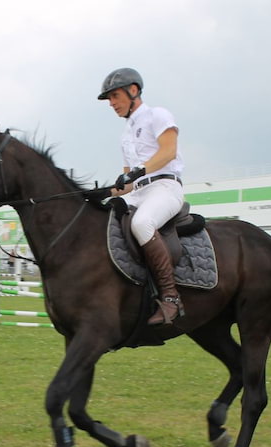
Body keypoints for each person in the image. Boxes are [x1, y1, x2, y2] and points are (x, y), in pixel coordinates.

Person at [98, 67, 185, 325]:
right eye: (109, 99)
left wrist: (137, 172)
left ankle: (171, 298)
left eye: (115, 96)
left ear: (133, 90)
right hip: (139, 192)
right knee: (103, 218)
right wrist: (104, 192)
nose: (112, 103)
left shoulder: (157, 115)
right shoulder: (125, 135)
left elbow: (168, 152)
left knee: (141, 223)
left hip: (165, 187)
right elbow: (127, 184)